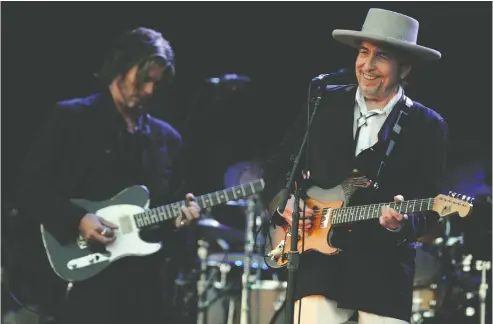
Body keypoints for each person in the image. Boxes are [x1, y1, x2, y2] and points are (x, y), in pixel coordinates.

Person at [261, 8, 448, 324]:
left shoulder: (427, 125)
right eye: (364, 53)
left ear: (405, 69)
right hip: (317, 265)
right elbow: (278, 167)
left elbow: (428, 210)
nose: (367, 66)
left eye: (382, 57)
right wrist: (287, 203)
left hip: (383, 270)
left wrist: (402, 223)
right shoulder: (323, 102)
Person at [15, 27, 200, 324]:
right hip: (81, 282)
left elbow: (165, 212)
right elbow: (30, 187)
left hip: (143, 287)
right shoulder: (71, 119)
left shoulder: (168, 140)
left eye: (157, 82)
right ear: (121, 67)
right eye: (143, 79)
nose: (150, 90)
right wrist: (77, 218)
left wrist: (179, 222)